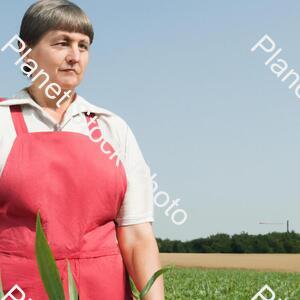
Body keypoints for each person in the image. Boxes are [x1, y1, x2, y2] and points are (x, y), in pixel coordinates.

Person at [0, 1, 164, 299]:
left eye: (83, 46)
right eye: (61, 43)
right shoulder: (2, 124)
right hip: (21, 289)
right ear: (25, 50)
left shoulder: (113, 129)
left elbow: (137, 236)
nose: (74, 57)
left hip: (105, 290)